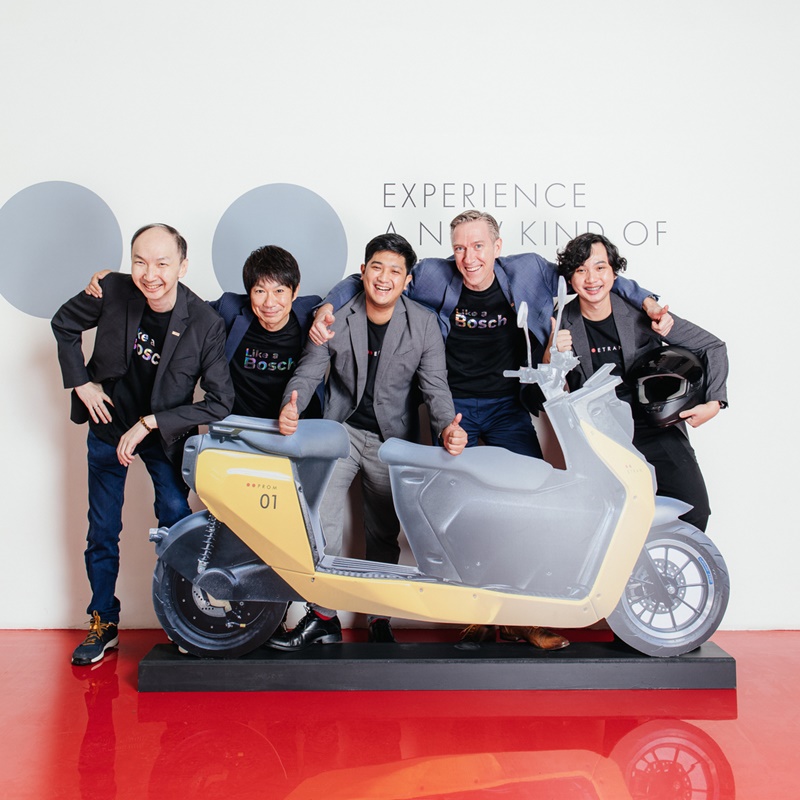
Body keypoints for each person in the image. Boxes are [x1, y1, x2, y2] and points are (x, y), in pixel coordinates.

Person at [311, 210, 671, 649]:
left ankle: (527, 618)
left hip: (507, 408)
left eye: (478, 246)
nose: (469, 258)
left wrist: (647, 300)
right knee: (459, 512)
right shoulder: (434, 275)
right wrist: (328, 305)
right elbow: (369, 278)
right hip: (455, 408)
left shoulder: (529, 270)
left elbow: (591, 273)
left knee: (533, 507)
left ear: (498, 247)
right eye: (460, 248)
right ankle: (477, 614)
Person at [266, 233, 467, 650]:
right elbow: (308, 371)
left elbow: (435, 388)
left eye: (395, 271)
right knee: (318, 518)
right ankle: (324, 616)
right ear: (362, 271)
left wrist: (448, 427)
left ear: (407, 281)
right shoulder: (336, 316)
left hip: (392, 440)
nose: (384, 277)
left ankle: (379, 616)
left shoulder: (423, 324)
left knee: (383, 531)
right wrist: (290, 405)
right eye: (377, 267)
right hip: (341, 431)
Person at [52, 224, 235, 666]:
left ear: (183, 266)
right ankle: (103, 622)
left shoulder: (205, 323)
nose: (149, 274)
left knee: (176, 520)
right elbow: (64, 323)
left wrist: (152, 422)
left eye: (162, 263)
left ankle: (185, 618)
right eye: (140, 262)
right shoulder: (113, 289)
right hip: (108, 423)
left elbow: (220, 402)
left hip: (160, 434)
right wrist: (82, 384)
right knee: (102, 529)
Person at [551, 232, 728, 531]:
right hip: (601, 434)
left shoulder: (642, 314)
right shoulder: (558, 323)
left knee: (695, 509)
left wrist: (714, 402)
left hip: (654, 424)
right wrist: (552, 356)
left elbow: (712, 347)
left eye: (600, 267)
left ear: (614, 273)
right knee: (610, 525)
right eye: (580, 270)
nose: (591, 278)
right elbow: (534, 395)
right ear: (570, 278)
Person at [86, 244, 322, 420]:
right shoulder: (229, 309)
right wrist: (119, 282)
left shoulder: (311, 314)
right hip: (236, 425)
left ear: (295, 292)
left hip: (293, 425)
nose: (270, 303)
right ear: (249, 292)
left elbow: (344, 294)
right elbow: (179, 307)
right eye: (260, 291)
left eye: (279, 291)